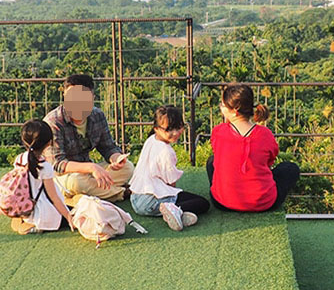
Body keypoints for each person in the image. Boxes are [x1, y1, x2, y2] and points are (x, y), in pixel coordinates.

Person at [44, 73, 135, 208]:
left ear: (92, 98)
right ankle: (121, 193)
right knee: (77, 182)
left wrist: (116, 159)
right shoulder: (54, 122)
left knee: (128, 168)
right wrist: (91, 167)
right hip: (63, 177)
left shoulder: (97, 115)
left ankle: (82, 196)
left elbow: (108, 147)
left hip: (88, 172)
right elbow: (57, 165)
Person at [207, 83, 301, 212]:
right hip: (262, 203)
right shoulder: (265, 134)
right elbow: (269, 161)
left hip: (222, 203)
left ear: (235, 110)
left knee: (212, 161)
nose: (221, 108)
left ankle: (225, 192)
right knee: (290, 168)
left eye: (223, 105)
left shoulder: (218, 131)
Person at [129, 105, 211, 231]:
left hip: (135, 199)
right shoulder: (166, 151)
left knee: (186, 198)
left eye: (178, 128)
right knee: (202, 203)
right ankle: (174, 211)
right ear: (156, 128)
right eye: (169, 129)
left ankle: (179, 215)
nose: (175, 133)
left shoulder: (151, 140)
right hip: (151, 202)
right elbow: (171, 183)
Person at [11, 120, 75, 234]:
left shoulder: (19, 159)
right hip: (43, 213)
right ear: (49, 143)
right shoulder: (44, 166)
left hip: (25, 208)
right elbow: (53, 197)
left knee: (71, 207)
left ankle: (23, 221)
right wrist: (68, 217)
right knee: (75, 212)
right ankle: (34, 227)